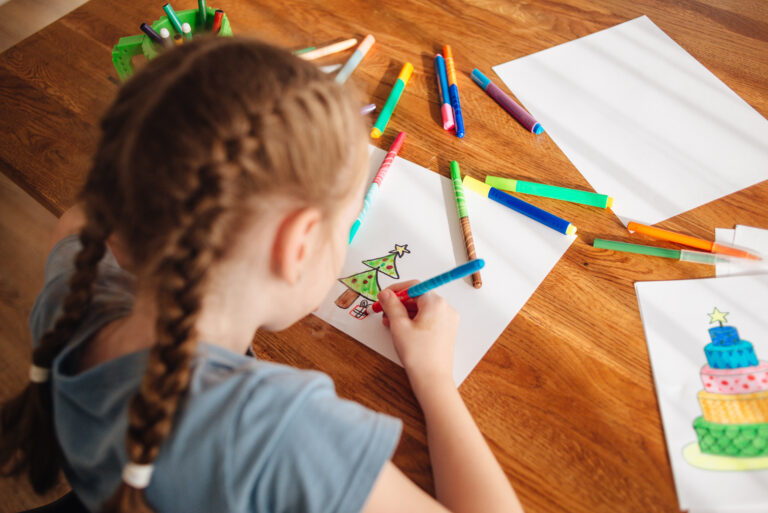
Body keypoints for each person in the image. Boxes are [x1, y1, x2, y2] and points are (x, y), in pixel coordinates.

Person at [0, 37, 523, 513]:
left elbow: (81, 219)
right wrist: (433, 377)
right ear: (295, 246)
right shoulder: (275, 434)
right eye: (346, 223)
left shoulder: (78, 286)